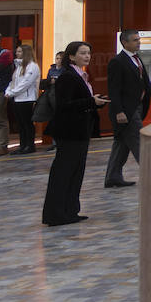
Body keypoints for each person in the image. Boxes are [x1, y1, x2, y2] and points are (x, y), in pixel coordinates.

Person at [41, 42, 109, 226]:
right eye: (83, 53)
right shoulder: (68, 77)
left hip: (80, 131)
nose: (87, 56)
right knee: (63, 172)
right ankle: (56, 214)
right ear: (71, 56)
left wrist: (94, 101)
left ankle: (71, 210)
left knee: (76, 171)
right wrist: (90, 102)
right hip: (70, 131)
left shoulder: (80, 76)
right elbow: (64, 105)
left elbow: (80, 101)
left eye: (89, 53)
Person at [104, 30, 151, 189]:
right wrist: (119, 111)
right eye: (135, 40)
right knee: (140, 142)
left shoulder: (137, 59)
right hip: (127, 110)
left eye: (139, 39)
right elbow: (114, 89)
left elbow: (145, 83)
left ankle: (113, 177)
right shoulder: (117, 62)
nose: (139, 42)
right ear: (124, 43)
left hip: (138, 107)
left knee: (122, 143)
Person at [3, 44, 40, 153]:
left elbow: (26, 83)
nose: (17, 53)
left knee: (27, 123)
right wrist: (8, 91)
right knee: (21, 124)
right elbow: (13, 81)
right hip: (17, 99)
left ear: (25, 53)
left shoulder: (32, 66)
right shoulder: (19, 67)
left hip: (27, 99)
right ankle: (23, 145)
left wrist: (12, 92)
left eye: (19, 51)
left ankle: (30, 145)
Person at [0, 47, 11, 153]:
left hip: (0, 90)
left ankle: (2, 146)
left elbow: (1, 67)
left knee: (1, 118)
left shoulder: (5, 54)